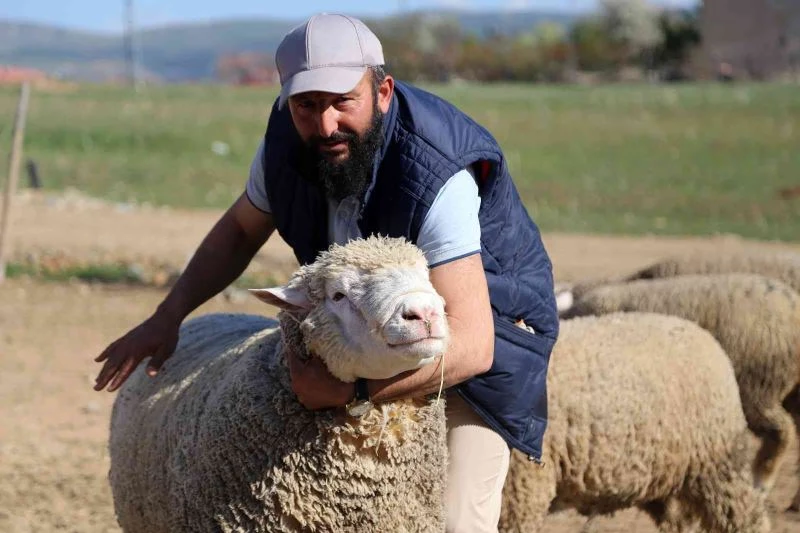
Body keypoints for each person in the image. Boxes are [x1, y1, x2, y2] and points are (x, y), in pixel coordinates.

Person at [93, 13, 559, 533]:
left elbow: (474, 345)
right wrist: (169, 314)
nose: (326, 124)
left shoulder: (436, 171)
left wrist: (351, 395)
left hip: (477, 338)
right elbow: (241, 231)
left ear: (381, 91)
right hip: (362, 329)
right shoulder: (288, 143)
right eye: (307, 105)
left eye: (343, 101)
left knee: (451, 523)